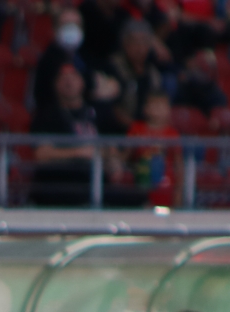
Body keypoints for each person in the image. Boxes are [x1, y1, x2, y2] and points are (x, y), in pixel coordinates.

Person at [30, 61, 125, 208]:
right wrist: (80, 152)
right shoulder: (46, 115)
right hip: (61, 187)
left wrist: (112, 158)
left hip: (97, 184)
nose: (69, 82)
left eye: (73, 77)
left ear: (82, 82)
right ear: (55, 84)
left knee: (136, 199)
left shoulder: (98, 112)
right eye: (63, 78)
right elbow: (41, 154)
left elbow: (112, 146)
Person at [102, 19, 171, 131]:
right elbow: (112, 109)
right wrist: (135, 128)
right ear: (125, 43)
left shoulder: (153, 73)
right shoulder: (113, 67)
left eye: (144, 42)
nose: (139, 47)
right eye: (134, 41)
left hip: (146, 133)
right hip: (117, 132)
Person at [126, 88, 179, 208]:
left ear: (169, 109)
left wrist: (179, 191)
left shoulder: (172, 134)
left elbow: (178, 163)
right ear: (145, 108)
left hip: (165, 184)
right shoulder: (136, 128)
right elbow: (127, 156)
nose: (158, 109)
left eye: (162, 106)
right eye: (154, 105)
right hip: (140, 181)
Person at [31, 6, 86, 118]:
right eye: (66, 25)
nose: (71, 30)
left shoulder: (85, 54)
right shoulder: (49, 60)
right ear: (54, 30)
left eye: (75, 25)